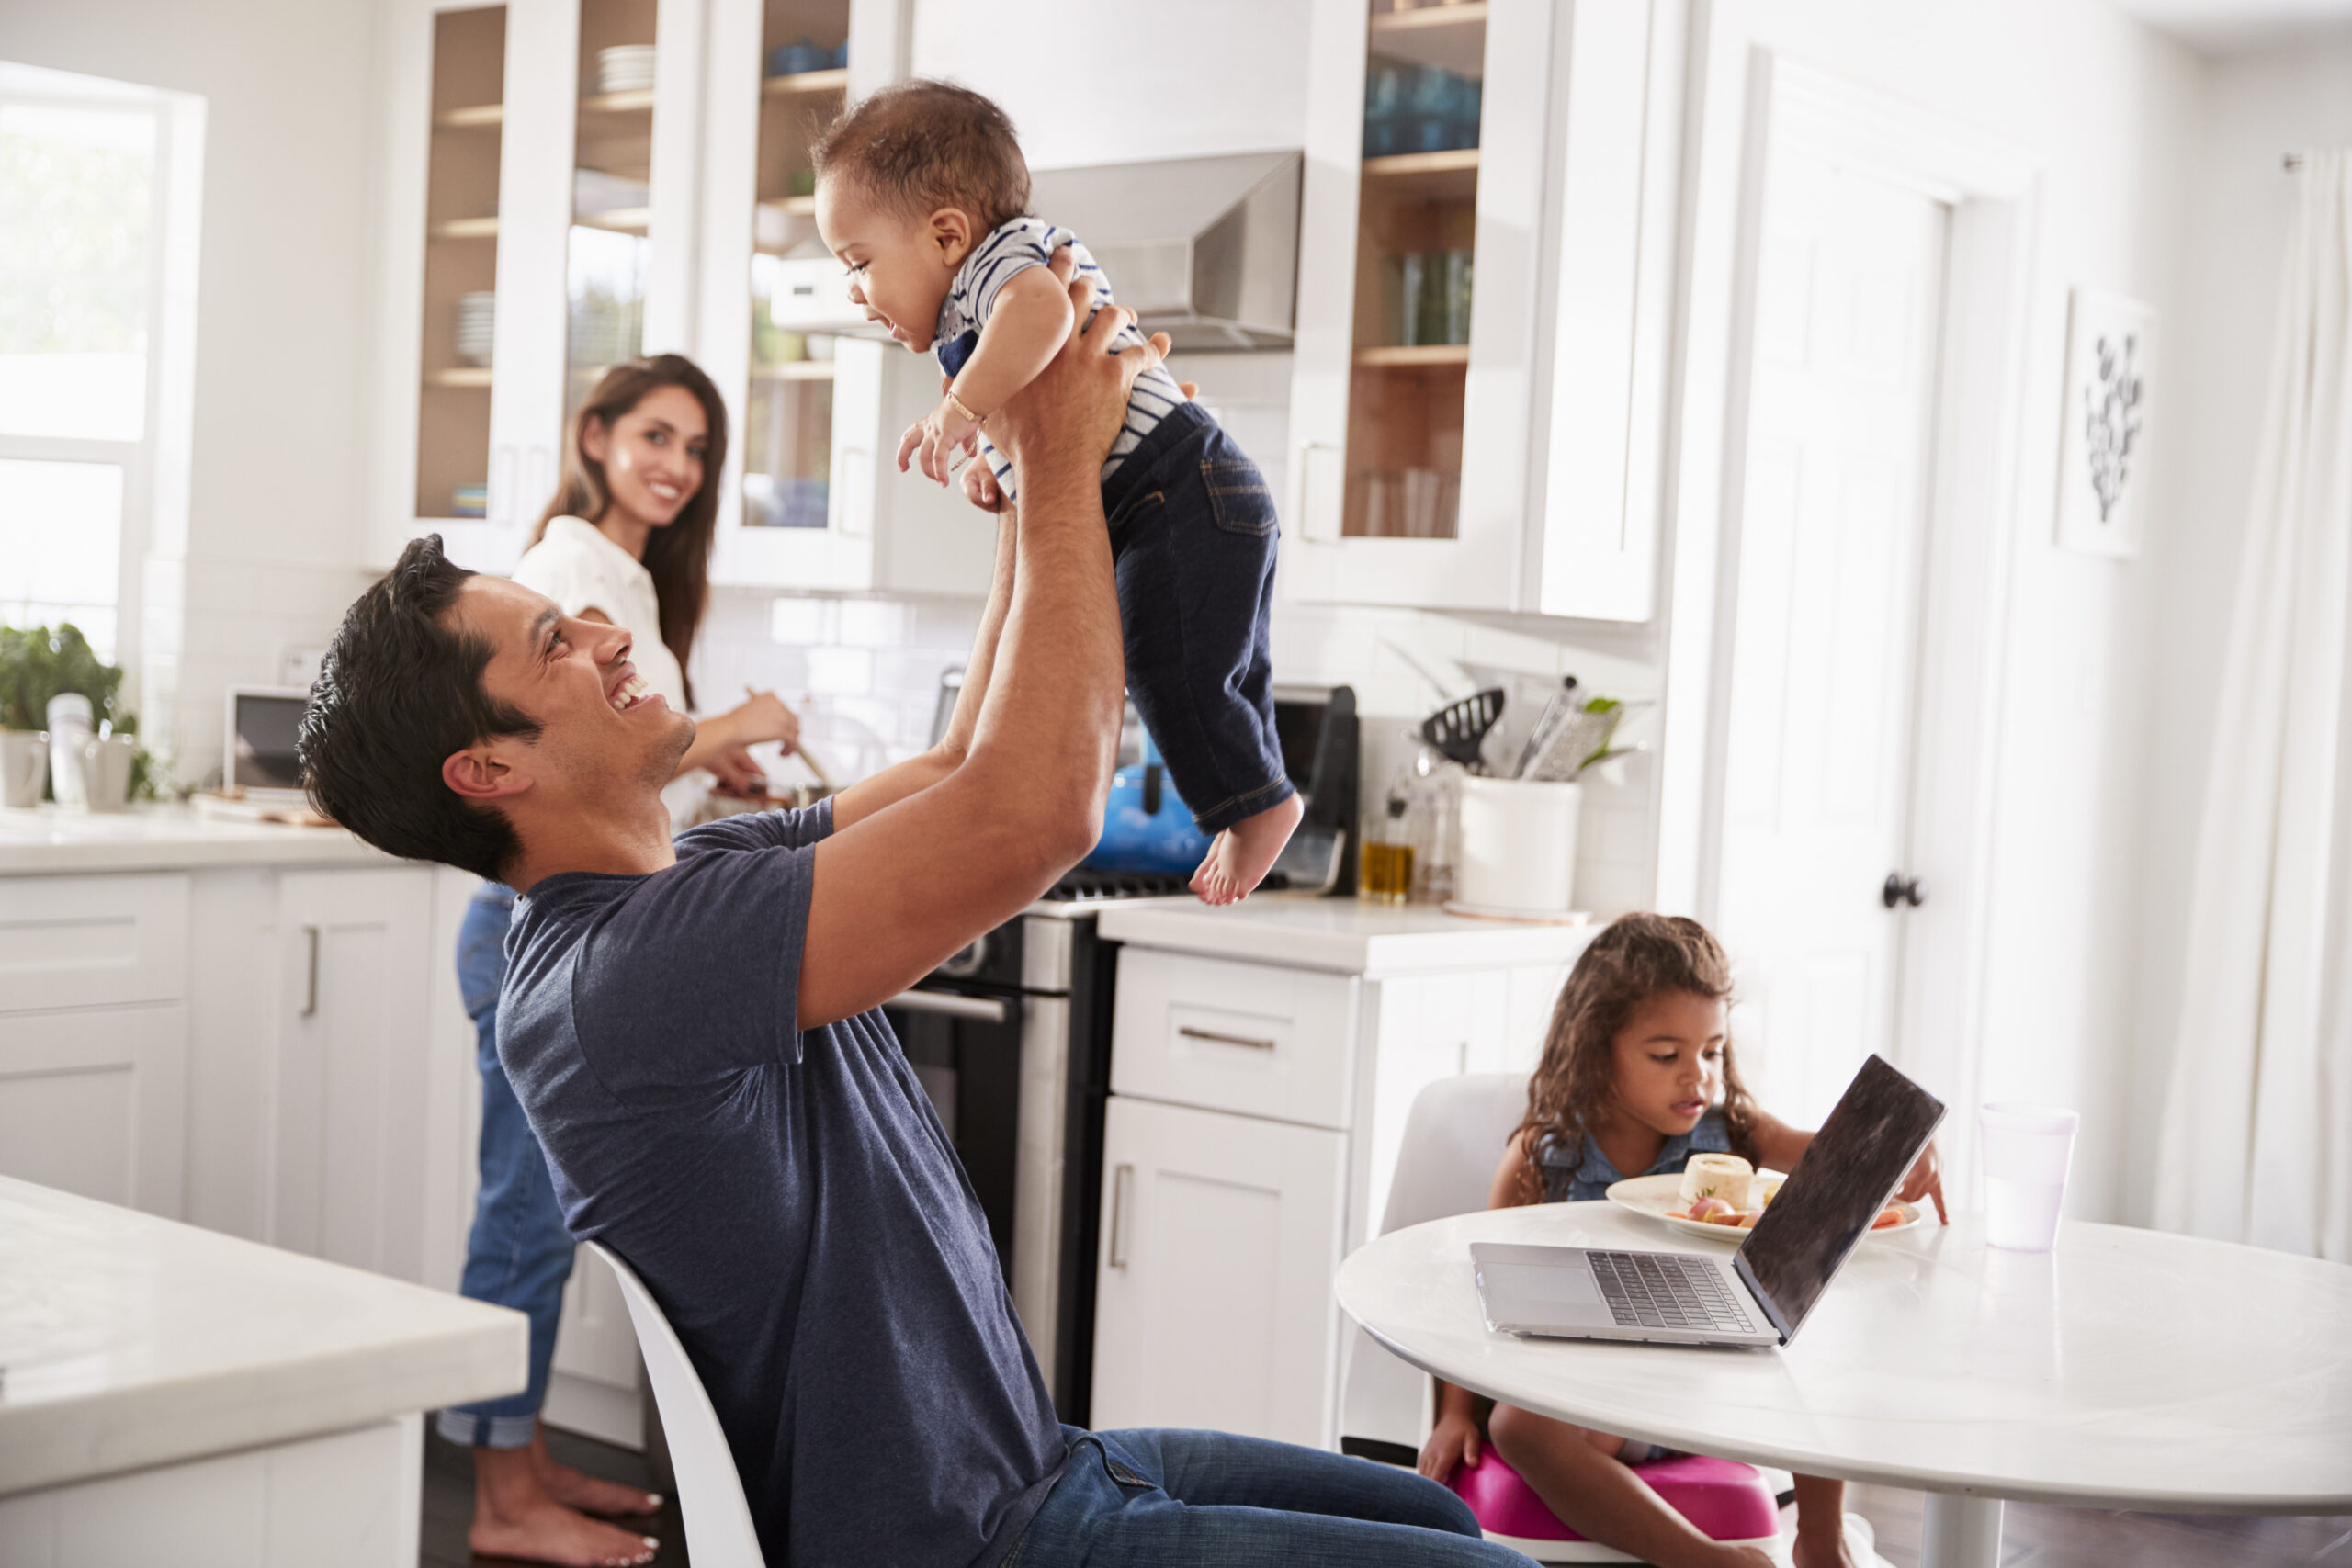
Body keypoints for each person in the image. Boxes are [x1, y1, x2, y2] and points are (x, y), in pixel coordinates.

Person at [298, 261, 1532, 1568]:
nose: (606, 636)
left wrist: (1028, 481)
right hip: (970, 1536)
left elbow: (956, 768)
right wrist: (1059, 455)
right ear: (490, 771)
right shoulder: (627, 972)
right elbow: (1035, 810)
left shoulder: (676, 883)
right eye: (556, 642)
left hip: (1029, 1459)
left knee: (1441, 1516)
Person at [443, 354, 802, 1568]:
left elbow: (622, 750)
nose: (676, 466)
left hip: (582, 924)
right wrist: (738, 725)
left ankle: (526, 1460)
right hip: (533, 925)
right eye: (656, 435)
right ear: (594, 437)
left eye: (696, 448)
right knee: (526, 1211)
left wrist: (713, 760)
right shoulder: (563, 569)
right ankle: (497, 1491)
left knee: (548, 1209)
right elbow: (557, 743)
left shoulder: (628, 576)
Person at [809, 78, 1303, 906]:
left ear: (945, 233)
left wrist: (960, 409)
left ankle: (1255, 807)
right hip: (1193, 491)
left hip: (1173, 486)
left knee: (1168, 664)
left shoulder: (1005, 264)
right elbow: (1044, 416)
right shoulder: (973, 311)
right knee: (1225, 670)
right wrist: (992, 464)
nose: (854, 293)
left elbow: (1042, 315)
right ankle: (1258, 795)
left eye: (859, 263)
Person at [1414, 914, 1950, 1568]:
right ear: (1595, 1049)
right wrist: (1453, 1413)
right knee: (1516, 1426)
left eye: (1712, 1051)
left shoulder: (1732, 1133)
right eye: (1666, 1055)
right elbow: (1473, 1294)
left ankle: (1822, 1536)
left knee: (1806, 1329)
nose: (1697, 1076)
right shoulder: (1543, 1158)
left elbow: (1836, 1161)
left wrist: (1901, 1154)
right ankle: (1700, 1559)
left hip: (1693, 1375)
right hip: (1580, 1389)